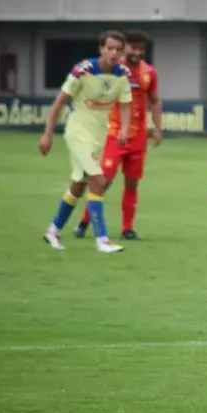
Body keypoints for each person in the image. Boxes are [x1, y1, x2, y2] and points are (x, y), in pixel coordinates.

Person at [39, 31, 132, 254]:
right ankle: (102, 240)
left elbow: (126, 103)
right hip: (77, 133)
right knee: (98, 182)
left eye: (118, 50)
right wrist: (48, 133)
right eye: (109, 48)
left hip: (98, 136)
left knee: (78, 186)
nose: (114, 53)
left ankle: (53, 230)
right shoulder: (83, 70)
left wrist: (125, 129)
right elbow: (60, 101)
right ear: (101, 48)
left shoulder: (123, 74)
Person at [73, 30, 162, 241]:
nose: (137, 52)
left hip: (139, 138)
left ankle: (127, 229)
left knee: (132, 182)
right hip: (115, 134)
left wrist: (157, 128)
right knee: (103, 181)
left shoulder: (149, 73)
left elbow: (155, 100)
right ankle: (85, 221)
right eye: (133, 48)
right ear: (125, 49)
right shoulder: (114, 70)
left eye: (141, 49)